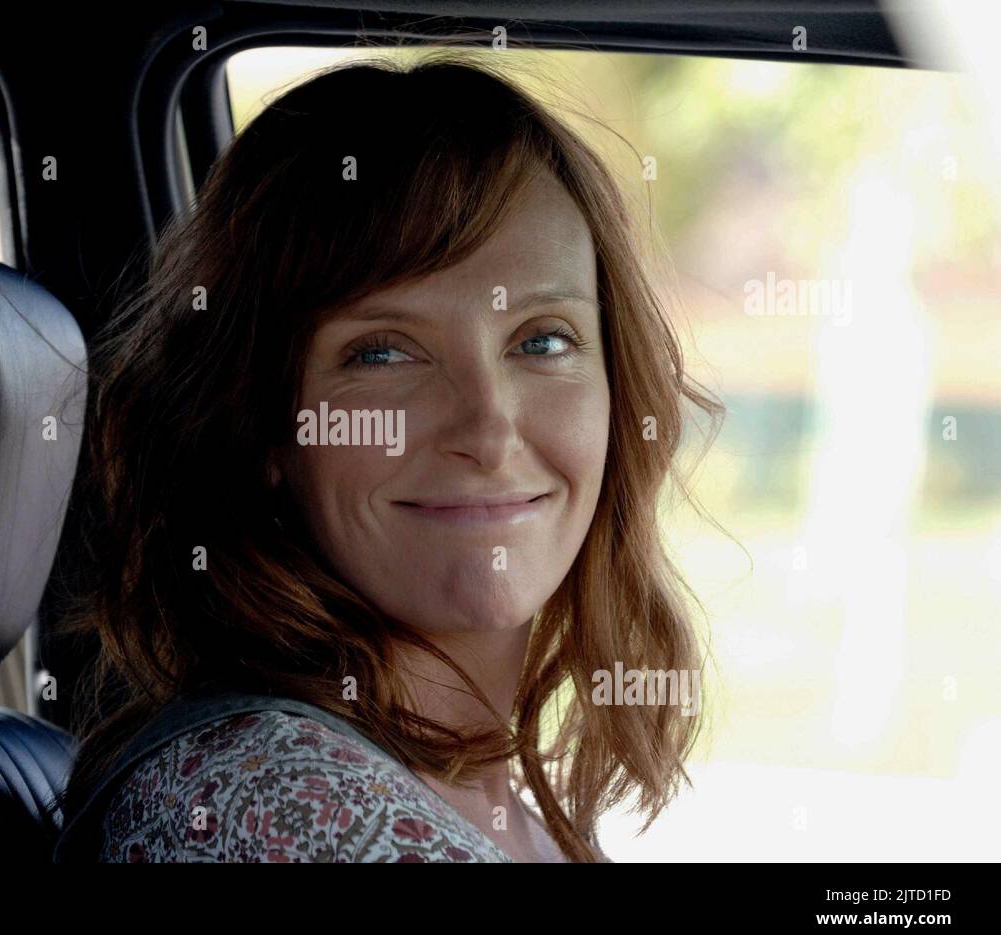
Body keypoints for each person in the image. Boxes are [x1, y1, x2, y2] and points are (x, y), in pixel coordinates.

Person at [51, 51, 723, 863]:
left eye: (542, 340)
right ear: (260, 424)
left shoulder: (491, 803)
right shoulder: (274, 804)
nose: (487, 426)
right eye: (382, 354)